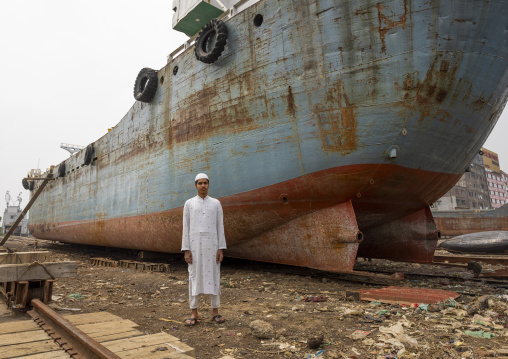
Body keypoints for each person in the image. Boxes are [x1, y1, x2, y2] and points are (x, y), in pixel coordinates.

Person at [182, 173, 227, 326]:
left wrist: (221, 248)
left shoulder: (216, 203)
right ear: (195, 185)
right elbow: (185, 227)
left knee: (214, 276)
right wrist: (186, 249)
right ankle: (193, 312)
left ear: (208, 185)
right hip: (194, 246)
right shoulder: (189, 203)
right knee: (194, 277)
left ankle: (215, 311)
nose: (203, 186)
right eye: (200, 183)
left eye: (205, 183)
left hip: (212, 245)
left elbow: (220, 226)